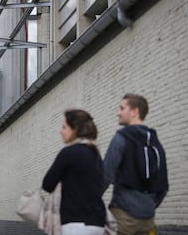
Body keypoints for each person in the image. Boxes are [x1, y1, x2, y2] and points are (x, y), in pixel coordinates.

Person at [103, 93, 169, 235]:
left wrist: (90, 201)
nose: (118, 113)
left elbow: (105, 174)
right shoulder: (155, 142)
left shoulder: (121, 138)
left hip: (122, 218)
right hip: (148, 220)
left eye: (122, 108)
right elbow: (163, 184)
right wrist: (149, 206)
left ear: (134, 112)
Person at [42, 109, 106, 235]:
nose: (60, 131)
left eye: (64, 127)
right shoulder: (96, 154)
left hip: (75, 224)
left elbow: (47, 185)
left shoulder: (68, 153)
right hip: (98, 224)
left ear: (75, 129)